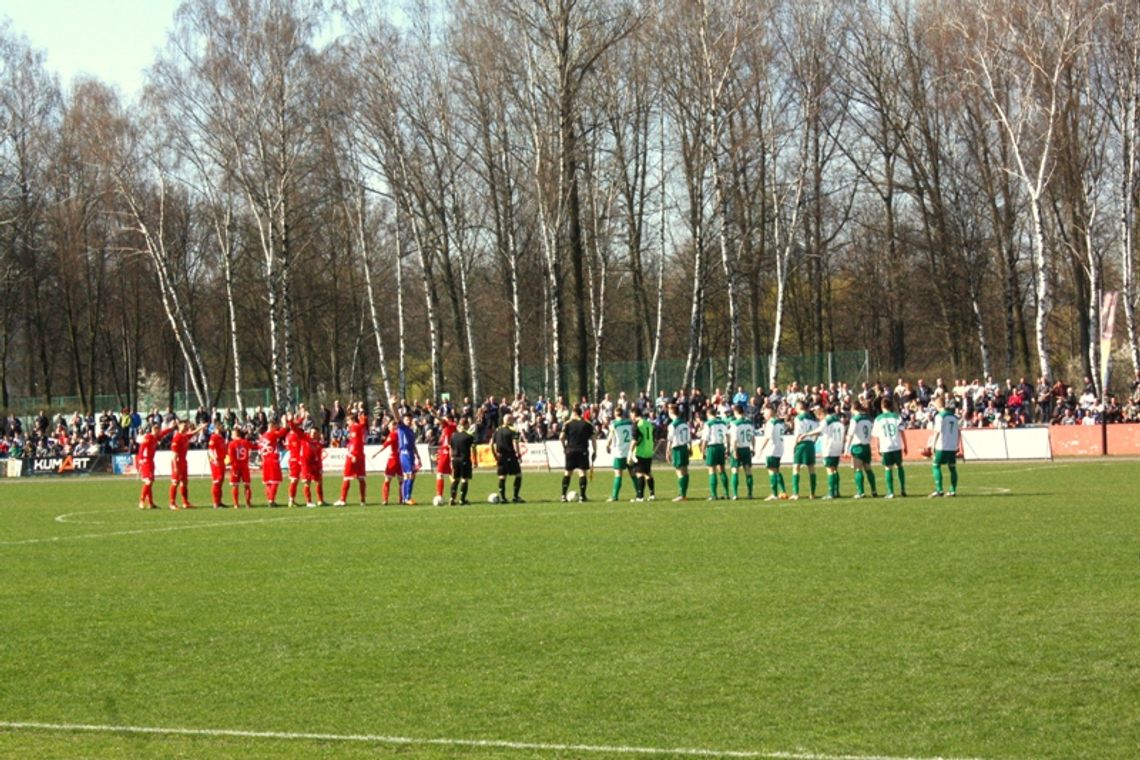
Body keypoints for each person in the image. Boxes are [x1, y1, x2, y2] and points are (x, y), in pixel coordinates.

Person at [165, 419, 206, 510]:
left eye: (186, 426)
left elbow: (193, 432)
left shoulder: (185, 436)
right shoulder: (177, 438)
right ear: (179, 427)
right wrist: (175, 467)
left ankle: (185, 503)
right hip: (178, 462)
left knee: (184, 483)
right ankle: (172, 503)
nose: (186, 427)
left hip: (183, 462)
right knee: (175, 482)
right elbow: (174, 455)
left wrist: (201, 427)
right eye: (184, 426)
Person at [872, 397, 908, 498]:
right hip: (896, 445)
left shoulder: (878, 419)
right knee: (900, 466)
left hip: (885, 446)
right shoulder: (897, 417)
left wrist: (877, 447)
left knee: (888, 468)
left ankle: (890, 492)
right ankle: (902, 489)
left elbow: (876, 436)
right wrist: (905, 445)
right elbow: (902, 432)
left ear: (882, 406)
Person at [928, 395, 962, 497]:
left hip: (942, 445)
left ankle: (939, 490)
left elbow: (937, 432)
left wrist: (932, 445)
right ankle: (952, 490)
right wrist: (957, 444)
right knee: (952, 468)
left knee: (936, 465)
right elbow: (959, 432)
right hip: (952, 446)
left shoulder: (939, 416)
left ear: (938, 405)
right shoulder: (954, 417)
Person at [560, 405, 596, 502]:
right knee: (582, 472)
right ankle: (582, 496)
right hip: (582, 451)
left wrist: (564, 447)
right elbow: (593, 438)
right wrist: (595, 451)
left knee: (568, 472)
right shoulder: (588, 424)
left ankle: (563, 496)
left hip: (570, 450)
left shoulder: (568, 424)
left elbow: (561, 437)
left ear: (574, 413)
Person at [844, 401, 878, 499]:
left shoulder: (855, 419)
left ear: (853, 408)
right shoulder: (868, 418)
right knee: (868, 469)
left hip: (858, 446)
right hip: (867, 446)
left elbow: (850, 434)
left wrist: (846, 448)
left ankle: (861, 492)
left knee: (858, 469)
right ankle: (874, 490)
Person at [336, 407, 369, 506]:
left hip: (354, 455)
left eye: (348, 420)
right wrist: (361, 415)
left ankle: (342, 500)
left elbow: (355, 443)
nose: (347, 422)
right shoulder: (357, 427)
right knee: (361, 478)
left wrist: (353, 455)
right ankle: (362, 500)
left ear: (352, 420)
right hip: (360, 455)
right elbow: (363, 423)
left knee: (346, 477)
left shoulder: (354, 427)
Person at [135, 423, 172, 509]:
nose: (160, 432)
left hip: (150, 461)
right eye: (158, 430)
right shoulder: (148, 437)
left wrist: (170, 428)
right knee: (148, 481)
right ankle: (141, 501)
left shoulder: (155, 437)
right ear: (154, 430)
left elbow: (163, 433)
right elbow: (142, 448)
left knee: (150, 482)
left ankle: (150, 503)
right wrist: (140, 460)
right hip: (145, 461)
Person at [790, 400, 821, 500]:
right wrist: (813, 441)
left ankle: (796, 493)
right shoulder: (813, 418)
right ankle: (812, 493)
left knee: (796, 467)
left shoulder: (799, 418)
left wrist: (794, 445)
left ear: (799, 407)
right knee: (811, 468)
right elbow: (818, 433)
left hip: (801, 444)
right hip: (811, 444)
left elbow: (798, 433)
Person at [757, 405, 788, 501]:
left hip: (772, 449)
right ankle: (783, 492)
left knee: (771, 471)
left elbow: (768, 437)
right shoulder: (779, 423)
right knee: (777, 470)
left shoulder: (770, 423)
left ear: (770, 413)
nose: (764, 415)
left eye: (765, 413)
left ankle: (774, 494)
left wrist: (761, 449)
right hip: (779, 448)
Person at [492, 413, 524, 503]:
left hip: (500, 456)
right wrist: (519, 454)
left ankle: (503, 498)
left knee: (502, 477)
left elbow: (492, 444)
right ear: (509, 420)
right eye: (512, 419)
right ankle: (515, 496)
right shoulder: (513, 430)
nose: (513, 421)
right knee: (518, 475)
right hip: (510, 455)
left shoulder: (497, 430)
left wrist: (495, 455)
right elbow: (515, 443)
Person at [605, 406, 634, 502]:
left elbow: (610, 437)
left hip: (619, 452)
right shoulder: (630, 422)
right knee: (633, 474)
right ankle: (639, 494)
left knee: (618, 474)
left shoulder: (614, 424)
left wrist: (607, 446)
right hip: (630, 452)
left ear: (615, 414)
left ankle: (614, 496)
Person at [700, 407, 730, 500]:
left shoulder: (708, 424)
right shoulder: (722, 422)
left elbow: (705, 439)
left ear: (708, 414)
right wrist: (727, 448)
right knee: (722, 470)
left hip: (712, 447)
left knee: (712, 471)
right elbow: (727, 436)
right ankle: (726, 493)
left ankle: (714, 495)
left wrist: (702, 451)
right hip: (721, 447)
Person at [726, 404, 755, 500]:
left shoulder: (734, 423)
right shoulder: (749, 423)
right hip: (746, 448)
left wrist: (734, 451)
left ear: (735, 412)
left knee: (735, 471)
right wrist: (753, 448)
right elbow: (753, 437)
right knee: (748, 471)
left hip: (738, 448)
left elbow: (733, 440)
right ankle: (750, 493)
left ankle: (735, 494)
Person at [258, 417, 288, 507]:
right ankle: (271, 500)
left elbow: (259, 450)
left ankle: (270, 499)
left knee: (268, 482)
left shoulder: (262, 437)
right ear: (272, 426)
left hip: (264, 460)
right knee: (275, 481)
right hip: (272, 459)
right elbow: (284, 430)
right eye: (276, 426)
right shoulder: (272, 434)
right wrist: (284, 421)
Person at [372, 420, 403, 505]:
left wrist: (376, 453)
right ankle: (402, 500)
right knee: (401, 481)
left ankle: (385, 500)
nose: (390, 427)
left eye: (391, 425)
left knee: (387, 480)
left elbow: (384, 445)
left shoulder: (392, 434)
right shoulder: (401, 434)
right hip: (401, 459)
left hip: (393, 460)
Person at [630, 406, 657, 501]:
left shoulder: (636, 424)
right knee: (648, 473)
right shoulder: (648, 423)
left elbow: (635, 439)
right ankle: (652, 494)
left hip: (640, 451)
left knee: (639, 473)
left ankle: (640, 497)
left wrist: (630, 452)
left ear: (633, 414)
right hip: (649, 451)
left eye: (631, 414)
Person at [666, 404, 691, 501]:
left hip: (677, 449)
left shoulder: (673, 425)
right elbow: (689, 437)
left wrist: (667, 450)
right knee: (685, 471)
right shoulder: (685, 423)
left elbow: (670, 439)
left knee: (680, 472)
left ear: (671, 412)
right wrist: (690, 448)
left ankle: (682, 495)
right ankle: (684, 494)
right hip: (684, 447)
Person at [819, 406, 846, 499]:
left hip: (829, 448)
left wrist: (806, 434)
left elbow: (819, 430)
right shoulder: (838, 421)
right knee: (835, 470)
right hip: (837, 447)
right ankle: (836, 491)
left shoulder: (826, 421)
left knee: (830, 470)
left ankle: (831, 493)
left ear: (822, 413)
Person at [448, 416, 475, 505]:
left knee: (455, 479)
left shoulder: (453, 435)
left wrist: (451, 458)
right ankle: (462, 499)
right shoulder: (469, 436)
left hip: (455, 459)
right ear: (466, 424)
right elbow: (472, 449)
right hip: (464, 459)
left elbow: (450, 448)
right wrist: (475, 461)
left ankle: (452, 498)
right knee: (464, 479)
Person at [397, 413, 422, 505]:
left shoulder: (410, 431)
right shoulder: (401, 428)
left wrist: (418, 456)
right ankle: (406, 498)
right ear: (403, 420)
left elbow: (413, 445)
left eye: (410, 420)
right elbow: (396, 416)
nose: (409, 421)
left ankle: (407, 497)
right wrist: (393, 405)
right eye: (407, 420)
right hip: (404, 453)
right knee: (409, 475)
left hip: (410, 454)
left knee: (412, 476)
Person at [227, 427, 253, 508]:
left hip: (236, 466)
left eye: (232, 434)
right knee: (247, 485)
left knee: (235, 485)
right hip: (244, 466)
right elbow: (251, 450)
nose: (231, 435)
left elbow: (231, 457)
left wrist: (233, 466)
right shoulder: (246, 442)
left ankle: (236, 504)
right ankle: (248, 504)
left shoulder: (231, 444)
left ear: (235, 434)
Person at [435, 414, 458, 502]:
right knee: (451, 475)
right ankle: (453, 497)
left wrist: (432, 411)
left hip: (446, 452)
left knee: (440, 474)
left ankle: (439, 496)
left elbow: (439, 418)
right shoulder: (450, 428)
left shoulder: (449, 425)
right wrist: (438, 453)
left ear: (448, 419)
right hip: (447, 452)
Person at [301, 427, 327, 506]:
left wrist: (320, 467)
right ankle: (308, 502)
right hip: (306, 465)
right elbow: (297, 431)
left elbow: (319, 457)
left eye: (315, 433)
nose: (313, 434)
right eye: (312, 432)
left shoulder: (319, 444)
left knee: (319, 481)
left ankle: (320, 501)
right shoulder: (305, 439)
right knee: (307, 482)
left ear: (318, 434)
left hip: (315, 465)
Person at [285, 411, 306, 507]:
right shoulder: (294, 434)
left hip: (297, 459)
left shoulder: (290, 435)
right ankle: (291, 500)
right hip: (295, 460)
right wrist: (301, 418)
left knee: (297, 481)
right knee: (295, 480)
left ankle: (292, 500)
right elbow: (293, 425)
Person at [207, 424, 228, 508]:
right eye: (219, 427)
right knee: (217, 482)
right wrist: (214, 459)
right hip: (216, 462)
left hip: (221, 461)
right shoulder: (214, 437)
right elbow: (210, 449)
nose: (221, 428)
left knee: (220, 482)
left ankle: (219, 501)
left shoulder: (221, 438)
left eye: (221, 427)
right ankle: (215, 503)